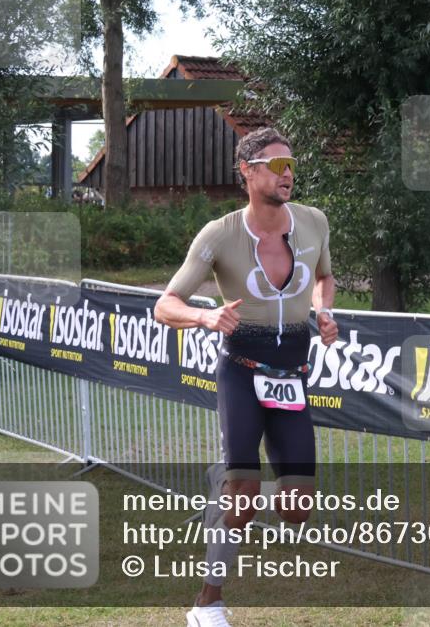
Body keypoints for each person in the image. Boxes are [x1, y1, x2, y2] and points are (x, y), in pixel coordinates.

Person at [153, 127, 338, 627]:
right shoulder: (219, 234)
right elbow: (164, 304)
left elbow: (323, 276)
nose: (288, 173)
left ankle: (234, 483)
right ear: (248, 172)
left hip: (292, 375)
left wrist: (322, 311)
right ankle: (207, 602)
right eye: (276, 165)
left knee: (298, 510)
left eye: (291, 164)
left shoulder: (314, 222)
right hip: (242, 371)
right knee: (242, 500)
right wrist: (205, 317)